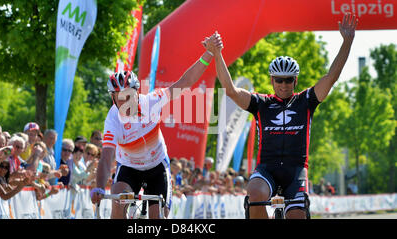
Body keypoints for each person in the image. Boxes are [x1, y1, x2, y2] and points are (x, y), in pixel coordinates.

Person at [207, 14, 358, 219]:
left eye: (288, 80)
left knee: (296, 216)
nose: (284, 85)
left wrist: (347, 43)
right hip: (266, 170)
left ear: (295, 81)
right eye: (279, 80)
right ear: (272, 80)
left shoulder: (306, 100)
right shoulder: (261, 103)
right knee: (254, 193)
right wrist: (217, 54)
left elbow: (331, 77)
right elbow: (231, 90)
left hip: (295, 172)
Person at [91, 34, 218, 219]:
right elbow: (106, 157)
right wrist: (99, 187)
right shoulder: (112, 120)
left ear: (137, 93)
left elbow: (186, 82)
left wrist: (208, 53)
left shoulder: (152, 101)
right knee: (117, 200)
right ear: (113, 99)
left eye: (129, 97)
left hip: (157, 166)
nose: (126, 103)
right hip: (129, 168)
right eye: (120, 99)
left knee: (157, 217)